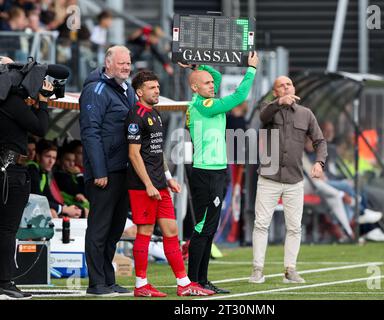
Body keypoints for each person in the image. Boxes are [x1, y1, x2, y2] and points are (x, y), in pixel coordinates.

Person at [126, 70, 214, 297]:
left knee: (171, 230)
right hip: (142, 186)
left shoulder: (154, 114)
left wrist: (168, 178)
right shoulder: (135, 116)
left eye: (157, 87)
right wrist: (148, 184)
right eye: (152, 88)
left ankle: (183, 283)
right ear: (139, 92)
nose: (157, 90)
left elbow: (157, 153)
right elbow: (134, 155)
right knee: (144, 232)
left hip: (160, 184)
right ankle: (140, 285)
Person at [178, 52, 259, 294]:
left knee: (209, 228)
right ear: (194, 87)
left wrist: (197, 65)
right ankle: (193, 281)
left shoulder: (205, 101)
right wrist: (251, 69)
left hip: (216, 171)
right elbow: (240, 95)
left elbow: (214, 75)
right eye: (207, 83)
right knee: (202, 228)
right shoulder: (203, 105)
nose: (213, 85)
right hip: (205, 173)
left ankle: (201, 280)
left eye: (212, 84)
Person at [249, 76, 327, 284]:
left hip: (294, 179)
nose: (286, 87)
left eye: (289, 84)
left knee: (294, 227)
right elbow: (263, 116)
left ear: (294, 88)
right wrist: (278, 103)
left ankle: (290, 270)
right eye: (281, 86)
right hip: (269, 177)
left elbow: (319, 141)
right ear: (275, 92)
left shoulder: (306, 114)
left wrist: (319, 162)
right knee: (261, 224)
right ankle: (257, 269)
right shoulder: (268, 108)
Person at [79, 45, 137, 297]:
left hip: (124, 171)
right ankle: (96, 283)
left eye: (128, 63)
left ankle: (108, 279)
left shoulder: (128, 89)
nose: (126, 67)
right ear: (108, 64)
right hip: (105, 173)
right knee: (99, 229)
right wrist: (99, 170)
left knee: (114, 230)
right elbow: (90, 132)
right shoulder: (96, 90)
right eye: (121, 63)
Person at [0, 56, 52, 299]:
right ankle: (5, 281)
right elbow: (40, 128)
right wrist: (43, 102)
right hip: (10, 171)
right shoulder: (11, 101)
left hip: (5, 170)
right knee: (7, 229)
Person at [28, 139, 83, 219]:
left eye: (54, 158)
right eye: (48, 156)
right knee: (52, 212)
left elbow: (49, 197)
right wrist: (64, 209)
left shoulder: (43, 173)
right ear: (38, 156)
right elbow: (38, 199)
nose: (51, 161)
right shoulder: (32, 169)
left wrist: (66, 207)